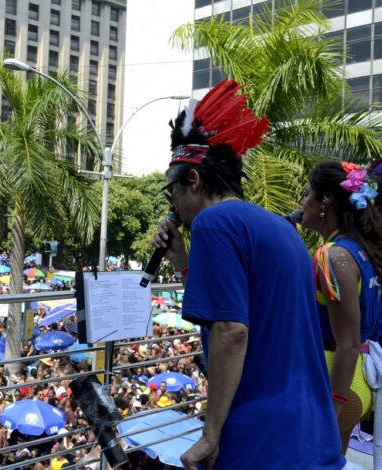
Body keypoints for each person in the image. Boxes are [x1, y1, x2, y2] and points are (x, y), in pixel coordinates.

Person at [153, 80, 344, 469]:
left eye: (170, 189)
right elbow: (247, 310)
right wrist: (183, 264)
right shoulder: (278, 228)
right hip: (311, 432)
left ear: (193, 179)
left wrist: (210, 435)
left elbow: (231, 331)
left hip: (262, 438)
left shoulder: (213, 223)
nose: (171, 201)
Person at [300, 160, 381, 453]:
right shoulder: (362, 251)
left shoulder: (332, 256)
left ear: (326, 201)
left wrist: (330, 413)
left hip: (334, 384)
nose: (303, 202)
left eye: (308, 194)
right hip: (357, 383)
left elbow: (346, 344)